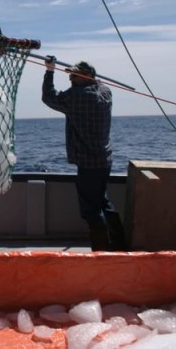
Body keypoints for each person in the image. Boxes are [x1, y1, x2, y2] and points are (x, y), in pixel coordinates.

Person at [41, 57, 127, 251]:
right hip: (104, 159)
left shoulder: (77, 96)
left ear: (88, 76)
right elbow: (98, 84)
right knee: (102, 201)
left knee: (91, 209)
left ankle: (101, 250)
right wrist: (91, 78)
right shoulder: (105, 92)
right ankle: (119, 245)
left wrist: (50, 71)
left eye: (74, 75)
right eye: (70, 74)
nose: (70, 78)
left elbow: (49, 97)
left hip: (88, 163)